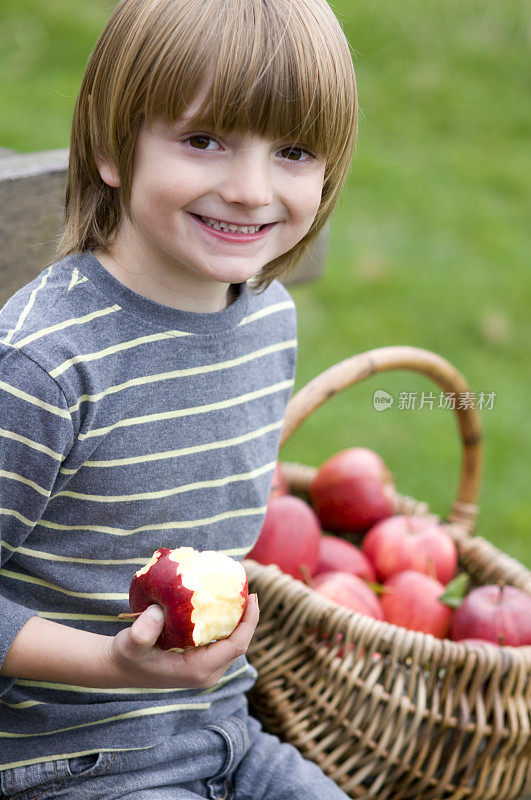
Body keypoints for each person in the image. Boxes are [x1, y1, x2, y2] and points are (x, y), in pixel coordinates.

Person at [0, 0, 357, 796]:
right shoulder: (43, 366)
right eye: (204, 141)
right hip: (63, 760)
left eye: (293, 151)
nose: (249, 189)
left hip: (218, 728)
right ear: (109, 146)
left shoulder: (268, 321)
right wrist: (113, 663)